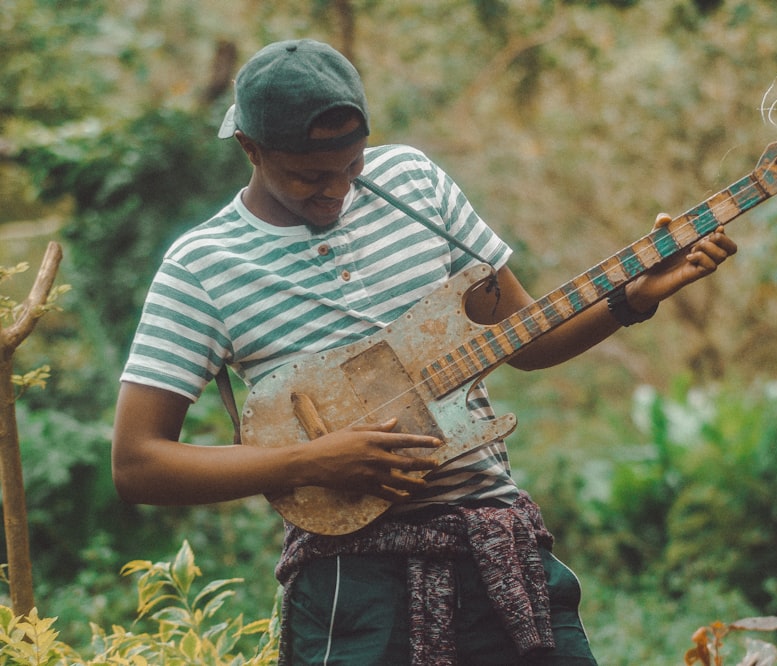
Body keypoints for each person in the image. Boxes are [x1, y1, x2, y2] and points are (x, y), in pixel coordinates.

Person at [111, 38, 737, 665]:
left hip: (496, 547)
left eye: (349, 168)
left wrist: (633, 298)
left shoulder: (413, 182)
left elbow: (527, 339)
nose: (335, 193)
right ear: (250, 147)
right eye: (308, 177)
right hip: (352, 588)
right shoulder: (201, 266)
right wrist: (309, 461)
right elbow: (138, 463)